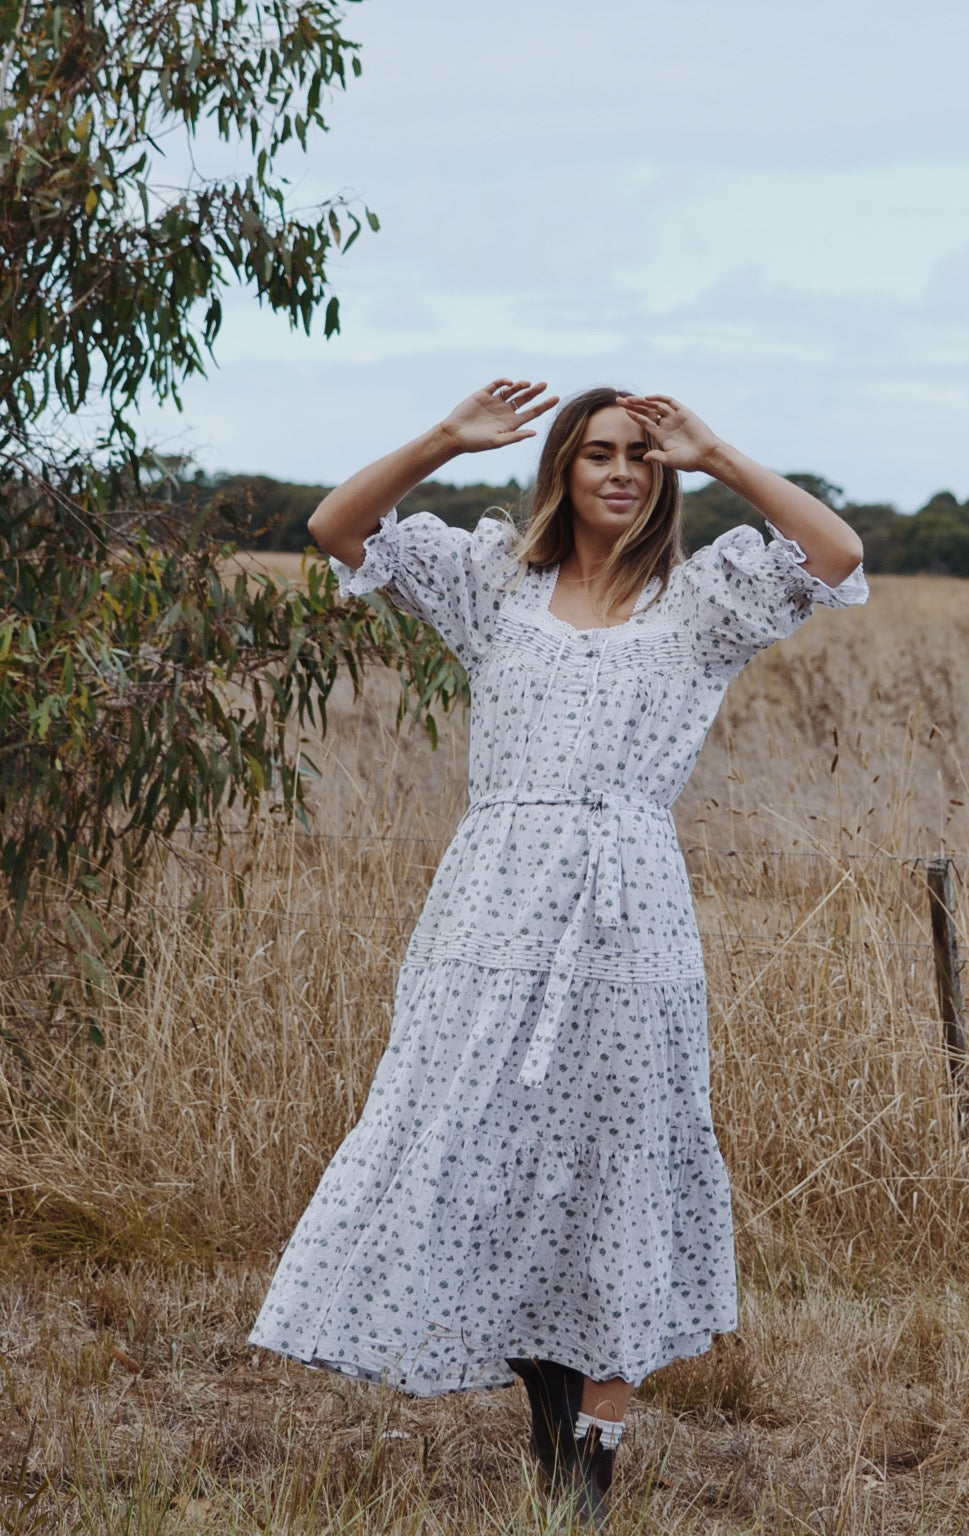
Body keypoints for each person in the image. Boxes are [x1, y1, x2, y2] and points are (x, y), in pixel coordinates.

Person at [249, 378, 867, 1522]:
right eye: (598, 454)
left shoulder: (702, 599)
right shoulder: (495, 585)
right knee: (480, 1135)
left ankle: (590, 1461)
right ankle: (539, 1391)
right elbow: (337, 527)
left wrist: (720, 451)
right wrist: (445, 436)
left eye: (643, 455)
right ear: (561, 472)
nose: (624, 472)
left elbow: (831, 551)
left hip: (629, 905)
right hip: (491, 903)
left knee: (619, 1149)